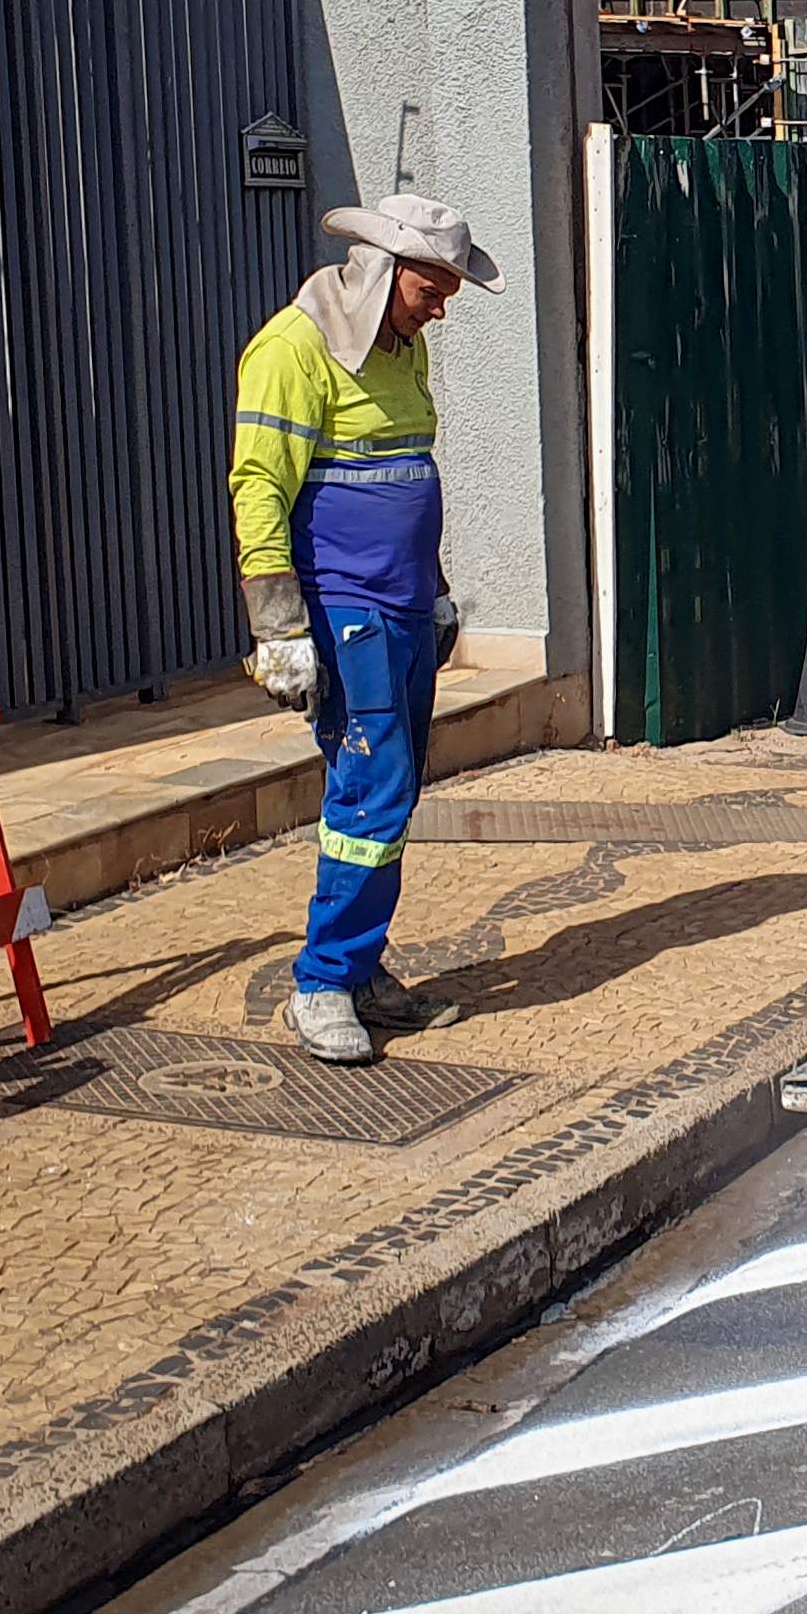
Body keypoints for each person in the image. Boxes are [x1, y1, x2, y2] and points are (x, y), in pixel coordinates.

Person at [230, 196, 498, 1067]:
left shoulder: (398, 344)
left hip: (405, 605)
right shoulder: (293, 349)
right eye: (433, 286)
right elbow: (259, 487)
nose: (441, 306)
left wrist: (437, 588)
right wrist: (278, 626)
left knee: (392, 791)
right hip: (347, 610)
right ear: (383, 270)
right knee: (369, 795)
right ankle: (322, 982)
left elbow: (404, 476)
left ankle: (362, 964)